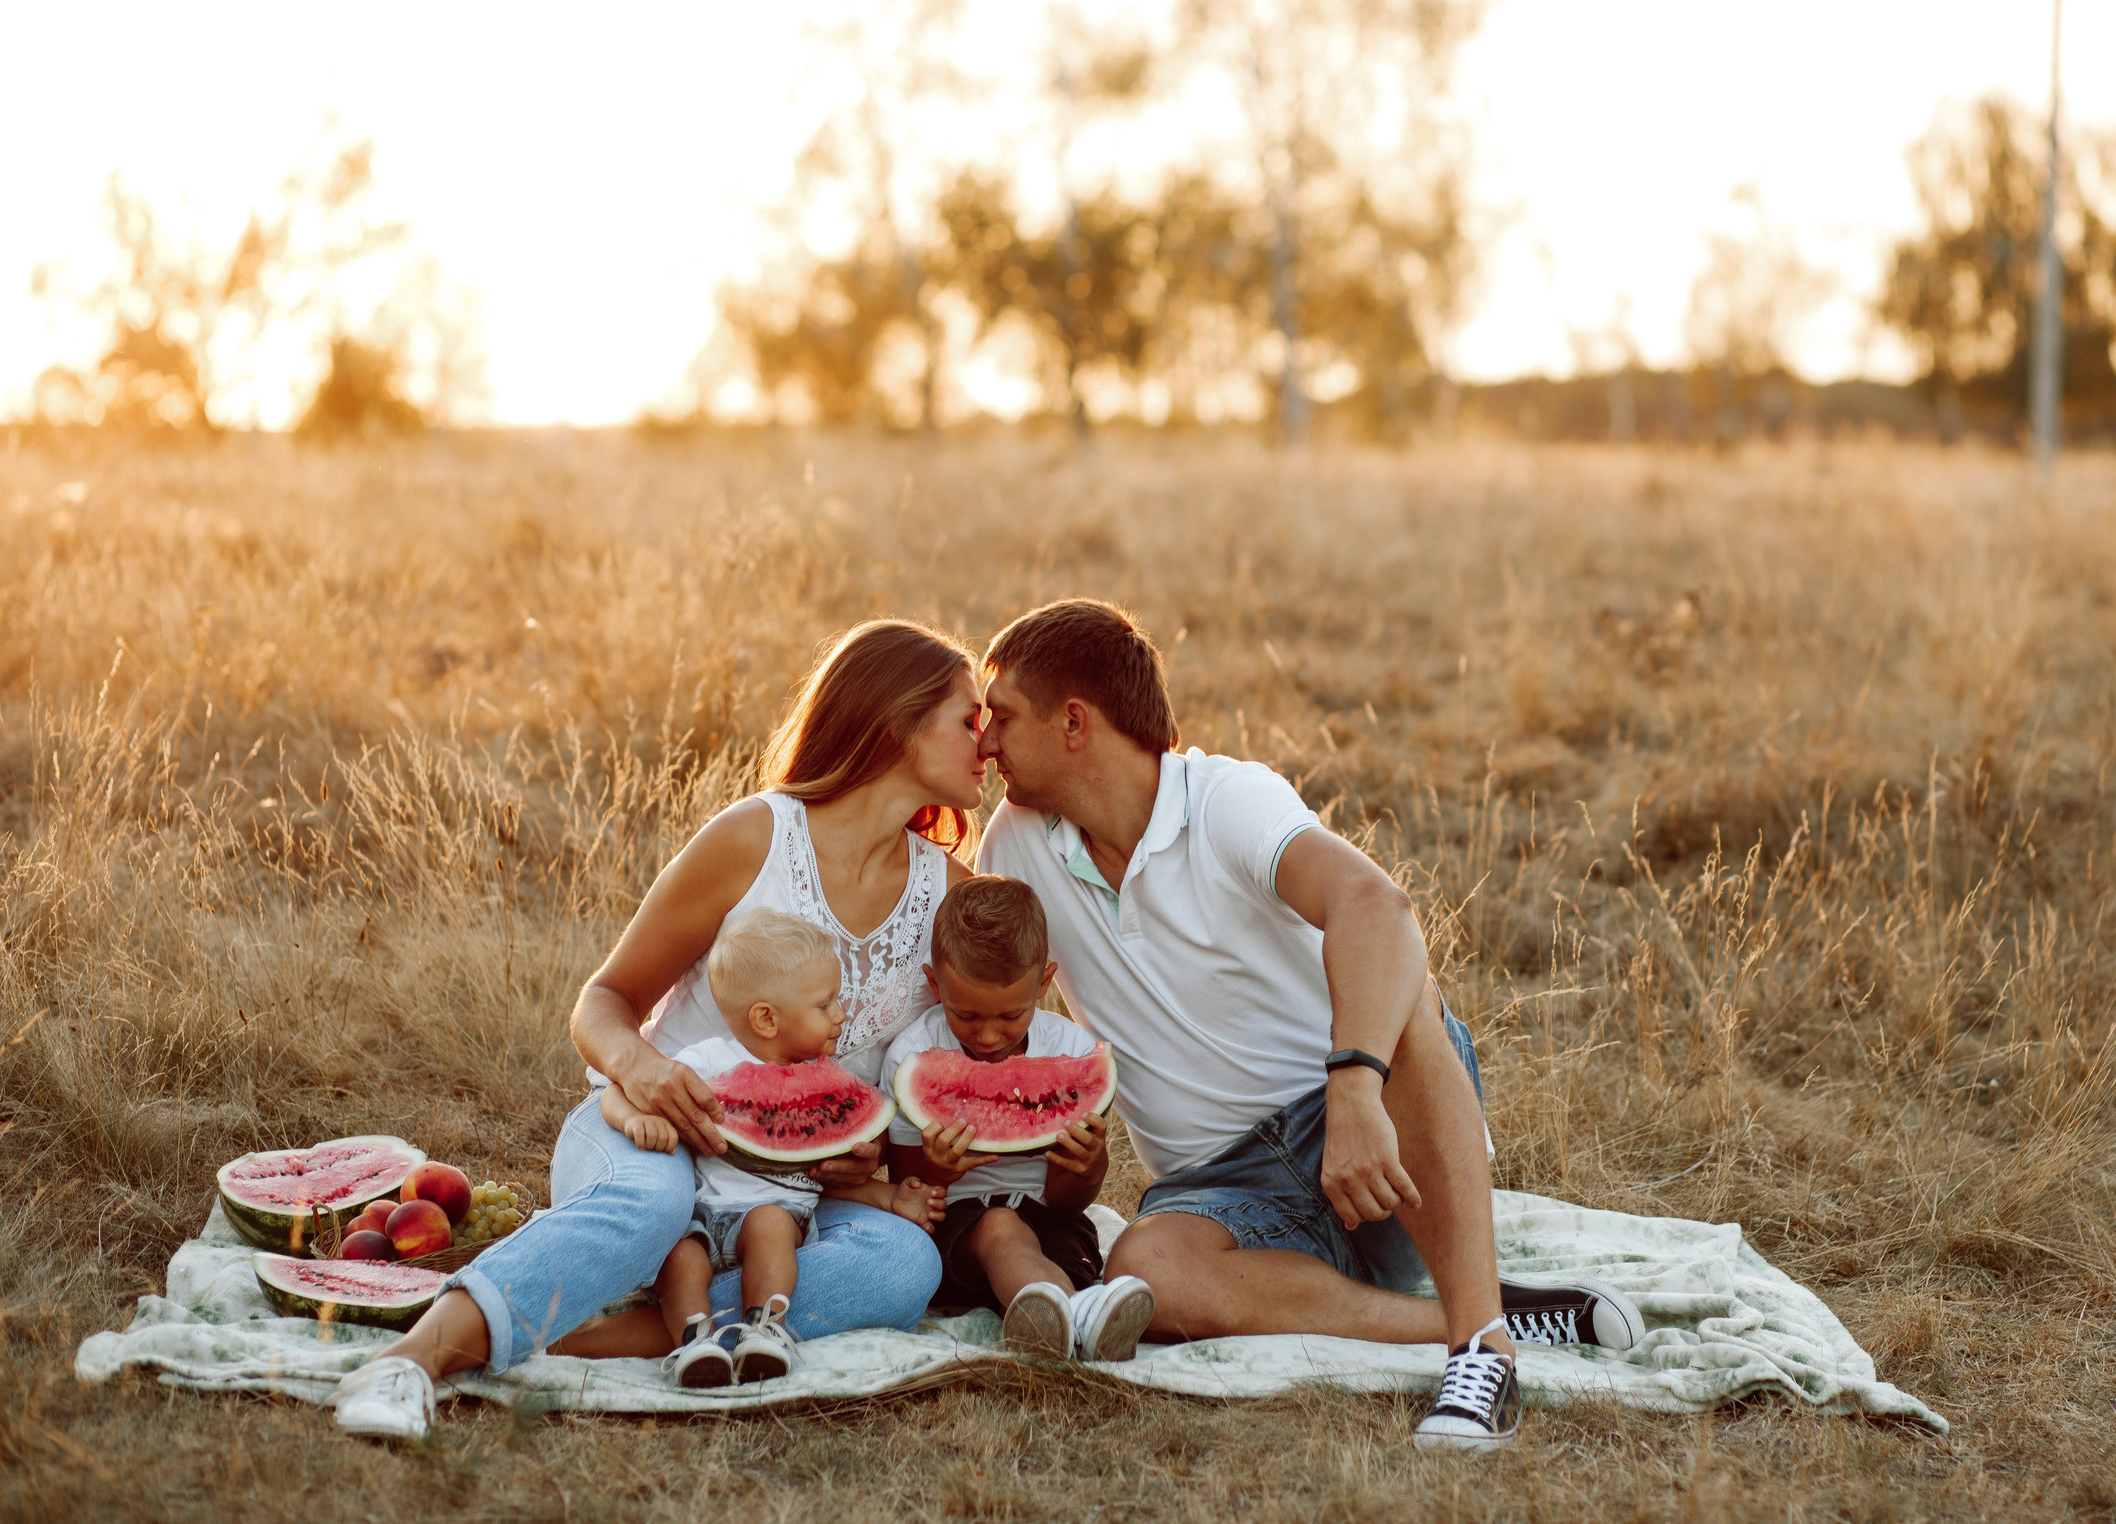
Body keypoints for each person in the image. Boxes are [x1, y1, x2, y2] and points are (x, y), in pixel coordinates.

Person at [973, 599, 1645, 1453]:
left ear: (1074, 722)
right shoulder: (1017, 844)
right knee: (1142, 1268)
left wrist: (1355, 1084)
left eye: (1001, 716)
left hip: (1372, 1150)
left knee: (1408, 999)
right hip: (1223, 1202)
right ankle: (1475, 1313)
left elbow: (1377, 904)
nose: (986, 741)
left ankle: (1483, 1357)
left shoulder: (1224, 799)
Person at [329, 619, 984, 1441]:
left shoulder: (950, 895)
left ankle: (590, 1325)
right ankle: (413, 1361)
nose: (986, 742)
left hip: (798, 1191)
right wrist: (637, 1069)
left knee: (904, 1265)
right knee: (652, 1204)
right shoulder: (755, 838)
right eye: (969, 717)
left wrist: (874, 1151)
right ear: (898, 722)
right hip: (652, 1130)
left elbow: (930, 1072)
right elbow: (603, 999)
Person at [602, 906, 946, 1387]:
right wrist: (636, 1118)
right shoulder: (708, 1063)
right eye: (825, 1004)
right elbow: (617, 1090)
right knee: (680, 1258)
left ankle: (765, 1328)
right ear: (766, 1018)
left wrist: (890, 1198)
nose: (840, 1015)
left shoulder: (830, 1085)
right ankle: (693, 1343)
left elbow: (816, 1182)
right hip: (697, 1222)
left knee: (770, 1224)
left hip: (774, 1223)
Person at [880, 875, 1155, 1361]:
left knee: (1022, 1227)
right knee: (999, 1226)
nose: (987, 1036)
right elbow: (903, 1181)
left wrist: (1088, 1167)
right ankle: (1079, 1316)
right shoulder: (913, 1055)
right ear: (934, 985)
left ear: (1044, 983)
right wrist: (938, 1171)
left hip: (1053, 1227)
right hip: (949, 1234)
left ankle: (1050, 1316)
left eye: (1011, 1016)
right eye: (965, 1016)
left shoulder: (1070, 1053)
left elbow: (1068, 1203)